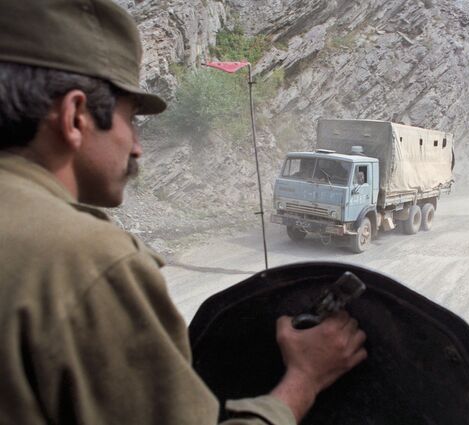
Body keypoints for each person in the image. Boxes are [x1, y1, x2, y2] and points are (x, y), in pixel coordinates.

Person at [0, 1, 367, 424]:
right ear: (76, 116)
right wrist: (304, 379)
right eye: (131, 120)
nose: (136, 146)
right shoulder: (82, 259)